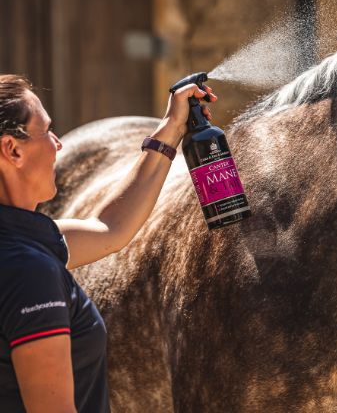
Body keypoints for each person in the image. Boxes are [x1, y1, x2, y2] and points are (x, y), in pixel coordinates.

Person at [0, 74, 216, 413]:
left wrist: (171, 128)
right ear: (12, 150)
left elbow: (109, 228)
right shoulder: (30, 272)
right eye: (46, 131)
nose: (58, 144)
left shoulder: (22, 239)